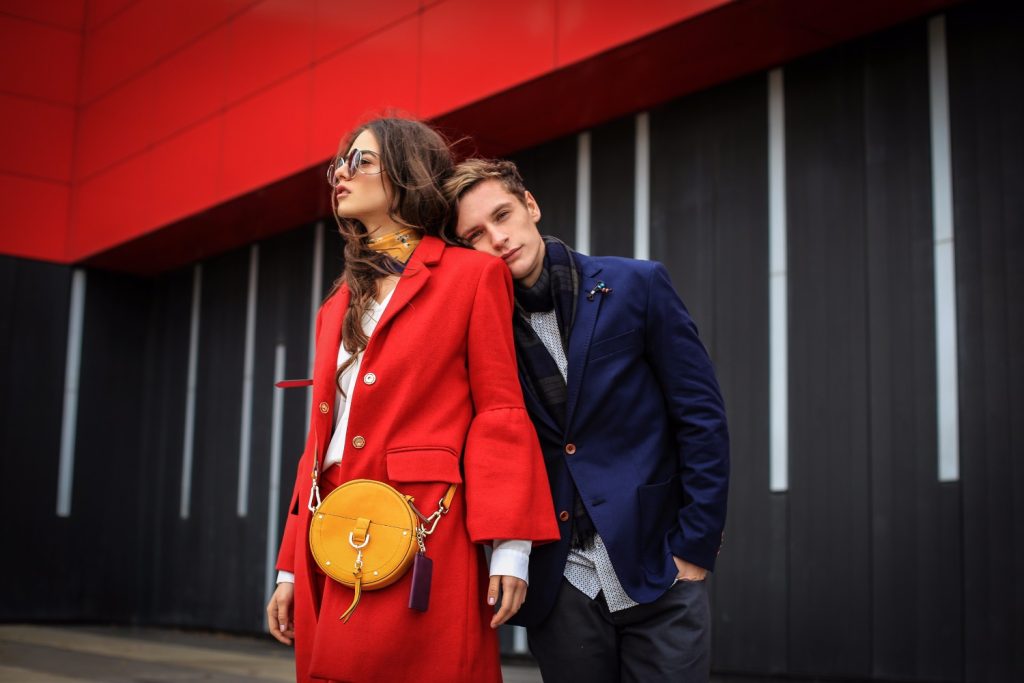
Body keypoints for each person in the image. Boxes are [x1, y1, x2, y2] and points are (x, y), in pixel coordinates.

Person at [266, 120, 558, 683]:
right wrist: (289, 568)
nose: (342, 174)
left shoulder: (473, 276)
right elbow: (319, 443)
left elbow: (499, 411)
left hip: (424, 530)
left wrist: (511, 547)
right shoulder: (336, 305)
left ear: (406, 173)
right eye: (338, 164)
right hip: (333, 532)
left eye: (361, 161)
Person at [445, 159, 730, 683]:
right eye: (475, 235)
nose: (498, 238)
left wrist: (695, 546)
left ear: (530, 205)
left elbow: (701, 417)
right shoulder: (480, 333)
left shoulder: (637, 284)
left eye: (502, 215)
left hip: (658, 565)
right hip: (562, 585)